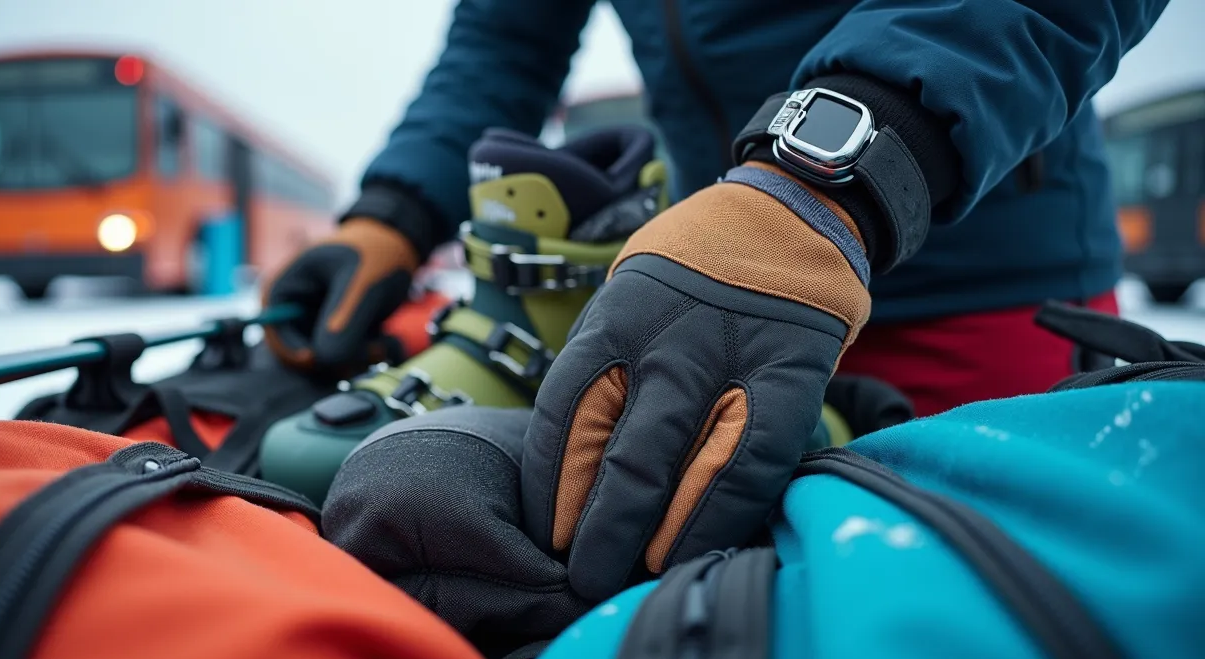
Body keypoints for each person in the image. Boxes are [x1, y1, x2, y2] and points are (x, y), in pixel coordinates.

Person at [266, 0, 1169, 602]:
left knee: (977, 601)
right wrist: (396, 209)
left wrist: (839, 169)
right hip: (714, 282)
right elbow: (506, 38)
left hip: (978, 280)